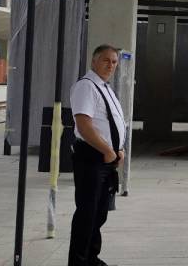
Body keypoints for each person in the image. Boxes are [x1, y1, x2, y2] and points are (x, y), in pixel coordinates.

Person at [68, 45, 126, 266]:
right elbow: (84, 125)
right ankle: (79, 262)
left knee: (99, 213)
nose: (110, 65)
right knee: (87, 213)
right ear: (94, 61)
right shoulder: (86, 86)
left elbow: (112, 123)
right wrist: (108, 150)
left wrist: (118, 149)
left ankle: (91, 258)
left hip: (106, 159)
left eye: (114, 62)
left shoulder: (104, 87)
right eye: (106, 60)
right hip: (92, 158)